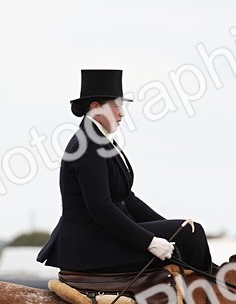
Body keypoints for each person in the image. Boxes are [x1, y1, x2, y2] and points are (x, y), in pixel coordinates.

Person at [38, 69, 212, 274]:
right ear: (95, 108)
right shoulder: (87, 145)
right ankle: (212, 298)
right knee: (193, 235)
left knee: (187, 230)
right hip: (90, 243)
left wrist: (171, 227)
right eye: (117, 107)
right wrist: (149, 242)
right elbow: (101, 208)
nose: (122, 114)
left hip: (103, 233)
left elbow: (126, 198)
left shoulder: (100, 140)